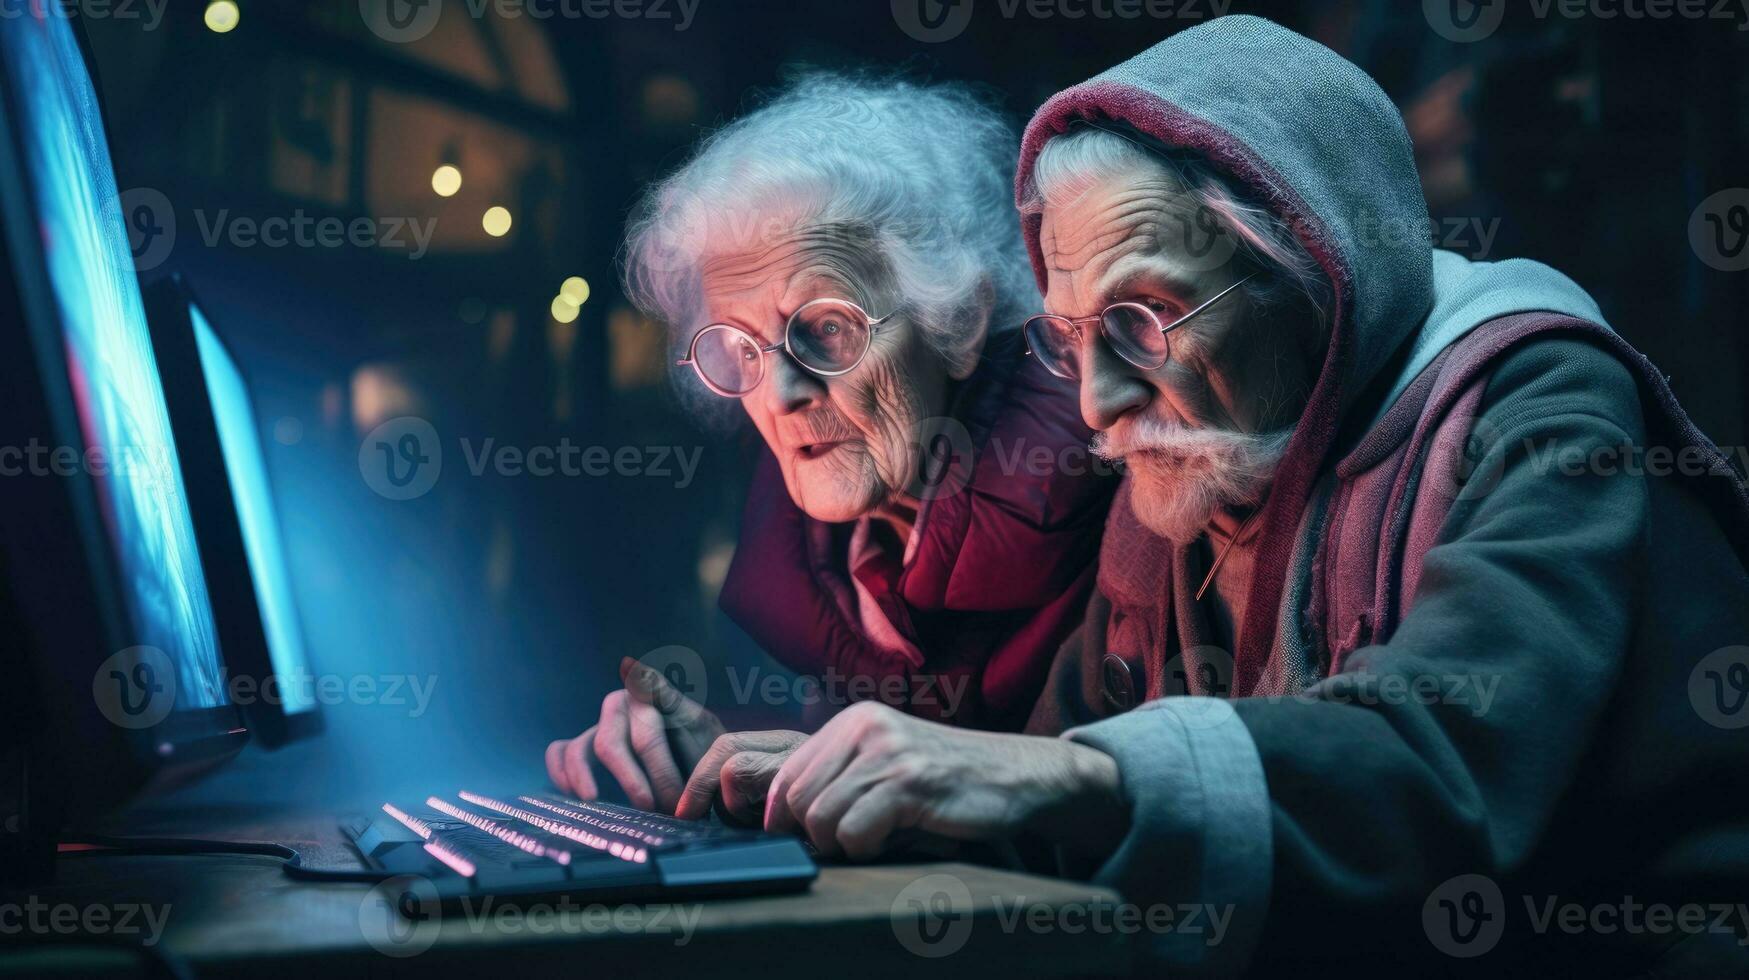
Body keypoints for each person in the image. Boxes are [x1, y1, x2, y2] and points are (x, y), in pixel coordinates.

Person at [672, 17, 1749, 975]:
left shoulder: (1539, 404)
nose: (1096, 405)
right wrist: (825, 788)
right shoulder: (1192, 471)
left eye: (1143, 318)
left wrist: (1052, 776)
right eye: (1072, 336)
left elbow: (1444, 769)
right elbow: (1049, 778)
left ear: (1315, 273)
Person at [544, 74, 1116, 813]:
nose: (782, 395)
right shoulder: (843, 563)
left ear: (960, 322)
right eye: (741, 348)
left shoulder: (1125, 502)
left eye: (827, 327)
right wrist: (716, 767)